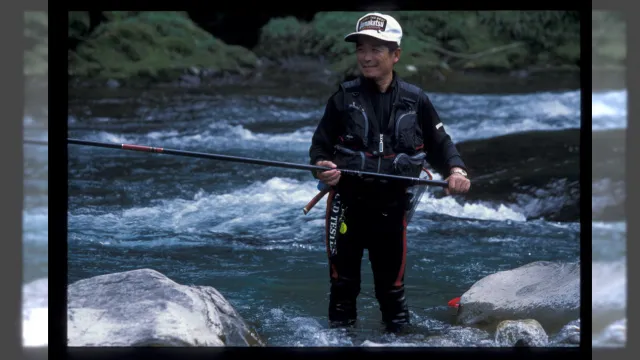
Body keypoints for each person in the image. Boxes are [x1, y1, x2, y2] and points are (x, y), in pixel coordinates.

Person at [308, 12, 471, 332]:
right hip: (346, 205)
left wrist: (457, 170)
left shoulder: (416, 100)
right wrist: (322, 169)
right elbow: (319, 149)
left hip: (393, 209)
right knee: (343, 290)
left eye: (376, 49)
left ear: (395, 54)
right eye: (360, 49)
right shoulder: (343, 97)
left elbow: (441, 144)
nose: (366, 57)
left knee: (392, 296)